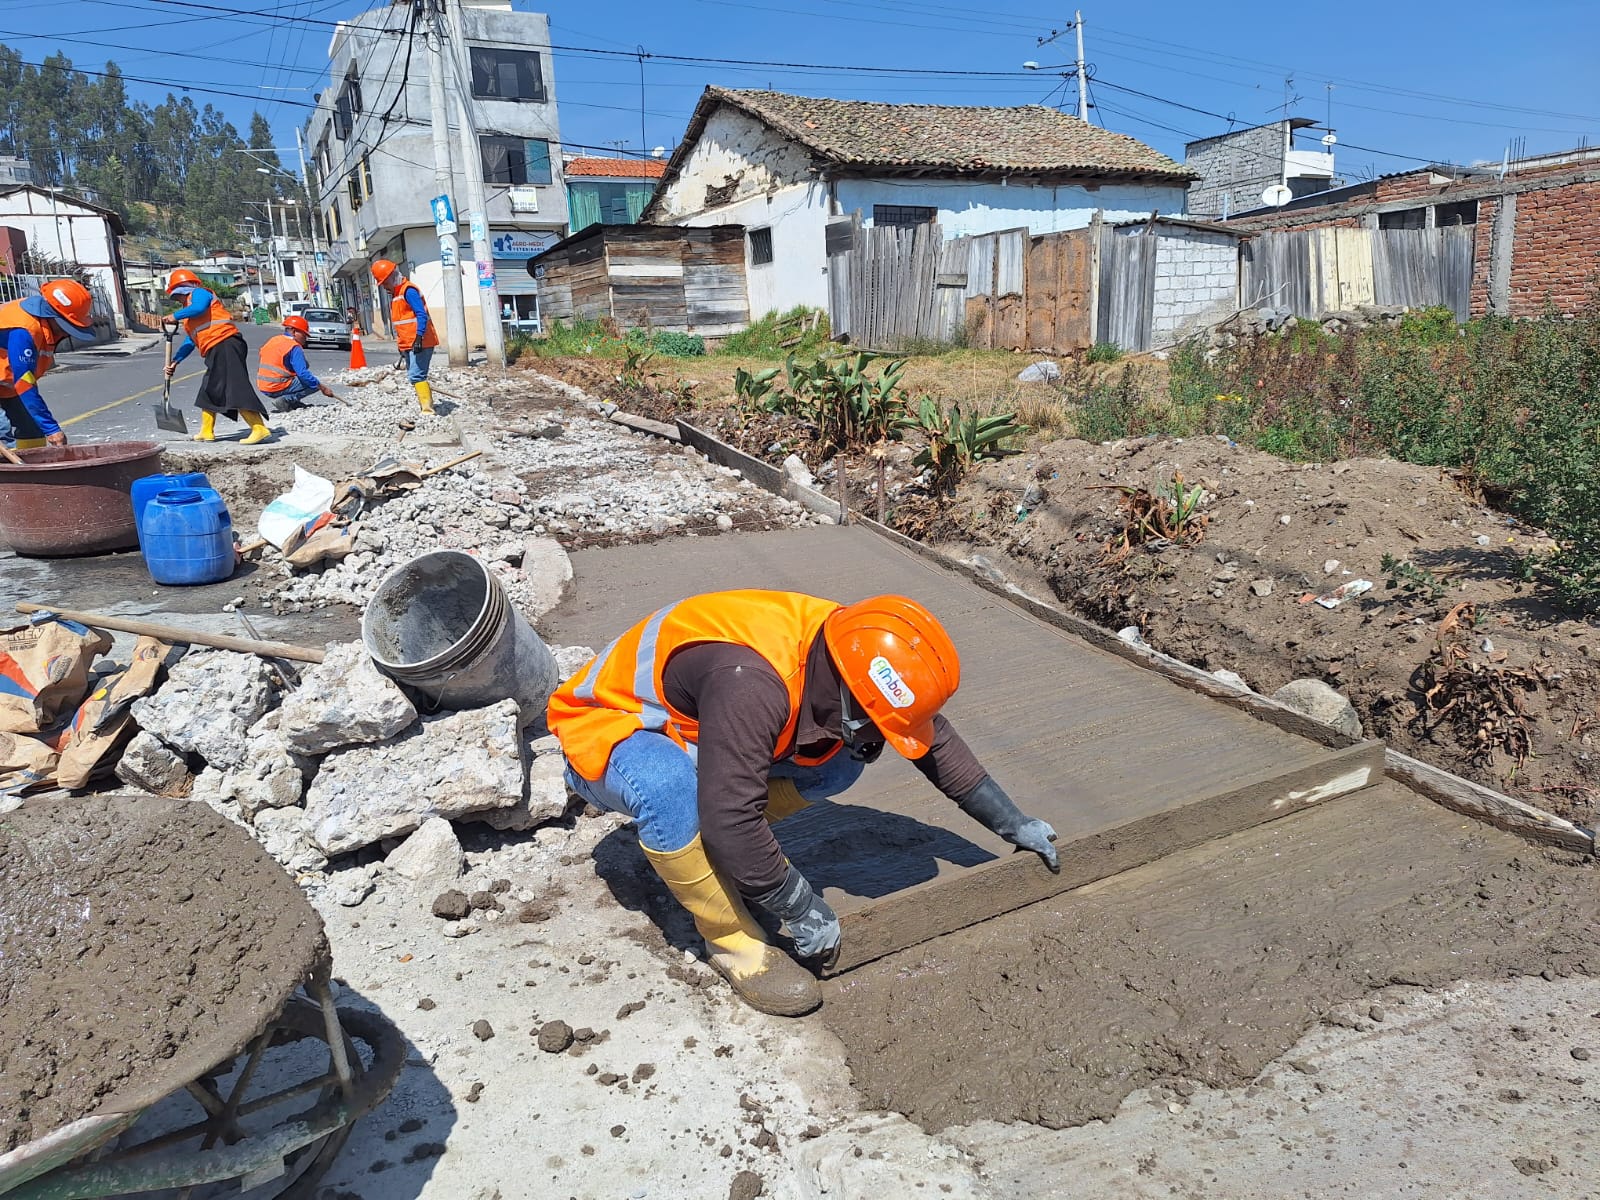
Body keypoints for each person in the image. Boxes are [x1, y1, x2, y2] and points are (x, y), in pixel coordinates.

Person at [546, 590, 1059, 1016]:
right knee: (671, 789)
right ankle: (730, 941)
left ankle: (719, 848)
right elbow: (730, 817)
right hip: (613, 725)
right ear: (852, 696)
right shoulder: (754, 686)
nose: (881, 733)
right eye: (874, 719)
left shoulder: (854, 649)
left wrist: (1015, 824)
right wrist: (799, 906)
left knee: (841, 759)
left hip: (704, 722)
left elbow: (932, 742)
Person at [162, 268, 271, 445]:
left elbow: (199, 307)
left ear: (186, 287)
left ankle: (259, 428)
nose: (179, 300)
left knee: (235, 387)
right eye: (176, 298)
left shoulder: (200, 293)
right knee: (209, 389)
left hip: (226, 343)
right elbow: (191, 341)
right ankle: (206, 431)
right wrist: (175, 361)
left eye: (179, 295)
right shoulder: (189, 319)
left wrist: (175, 316)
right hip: (215, 348)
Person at [0, 278, 96, 450]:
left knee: (32, 431)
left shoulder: (41, 324)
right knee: (3, 434)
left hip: (5, 385)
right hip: (11, 383)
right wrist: (52, 429)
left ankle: (34, 473)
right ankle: (12, 476)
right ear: (54, 316)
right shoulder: (24, 330)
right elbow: (24, 382)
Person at [370, 259, 437, 415]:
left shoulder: (408, 291)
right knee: (415, 375)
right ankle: (425, 405)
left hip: (420, 341)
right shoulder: (397, 295)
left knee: (416, 375)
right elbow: (403, 323)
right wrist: (402, 346)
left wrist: (419, 338)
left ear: (391, 278)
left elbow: (421, 315)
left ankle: (428, 410)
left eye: (384, 283)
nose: (384, 287)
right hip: (409, 343)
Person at [256, 314, 336, 411]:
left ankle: (292, 402)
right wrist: (323, 388)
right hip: (276, 385)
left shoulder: (274, 340)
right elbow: (303, 374)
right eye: (304, 334)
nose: (306, 338)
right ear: (294, 332)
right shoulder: (293, 346)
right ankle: (287, 400)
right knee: (313, 383)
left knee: (306, 377)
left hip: (263, 385)